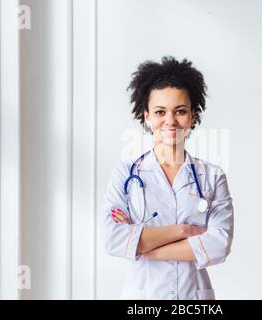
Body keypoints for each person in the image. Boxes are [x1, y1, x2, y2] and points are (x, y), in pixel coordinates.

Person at [100, 56, 234, 300]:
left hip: (193, 297)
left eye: (180, 111)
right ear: (147, 116)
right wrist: (184, 230)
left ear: (193, 115)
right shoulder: (126, 172)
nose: (170, 121)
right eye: (160, 111)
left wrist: (143, 247)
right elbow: (112, 239)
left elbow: (219, 244)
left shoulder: (212, 176)